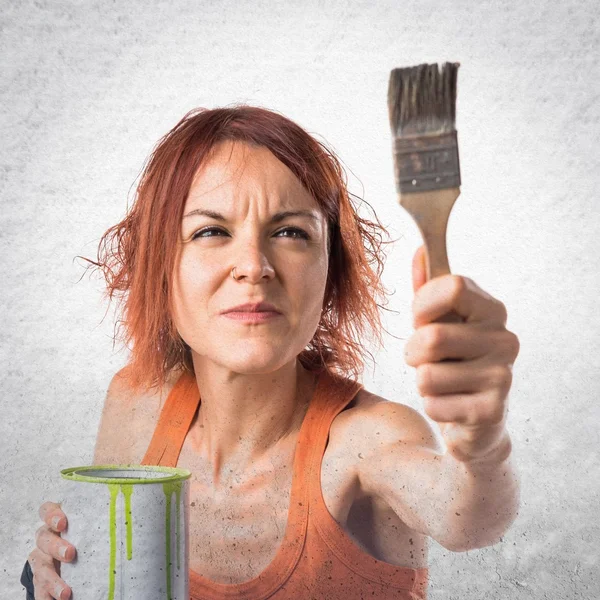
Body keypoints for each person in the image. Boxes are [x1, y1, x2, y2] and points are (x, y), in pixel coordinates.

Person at [22, 105, 520, 600]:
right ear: (159, 265)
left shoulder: (368, 440)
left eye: (290, 232)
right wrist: (48, 582)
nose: (254, 266)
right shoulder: (136, 405)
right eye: (211, 231)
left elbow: (470, 519)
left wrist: (483, 442)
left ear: (331, 272)